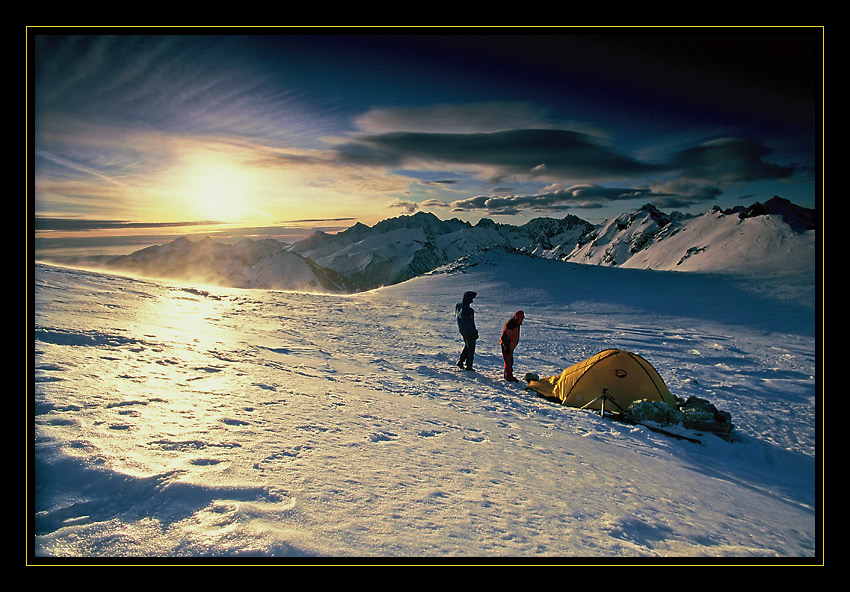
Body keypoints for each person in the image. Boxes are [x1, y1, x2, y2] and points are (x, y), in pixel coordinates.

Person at [455, 291, 478, 371]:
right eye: (471, 299)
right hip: (469, 332)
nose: (472, 301)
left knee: (467, 346)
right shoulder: (469, 310)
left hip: (462, 330)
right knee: (471, 348)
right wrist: (474, 332)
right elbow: (470, 323)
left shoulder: (459, 306)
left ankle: (461, 361)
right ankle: (469, 366)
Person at [500, 310, 525, 381]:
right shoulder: (511, 324)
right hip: (507, 345)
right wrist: (506, 347)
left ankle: (507, 375)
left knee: (510, 361)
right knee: (508, 361)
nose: (521, 320)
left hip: (510, 345)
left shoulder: (516, 323)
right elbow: (505, 336)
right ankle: (509, 377)